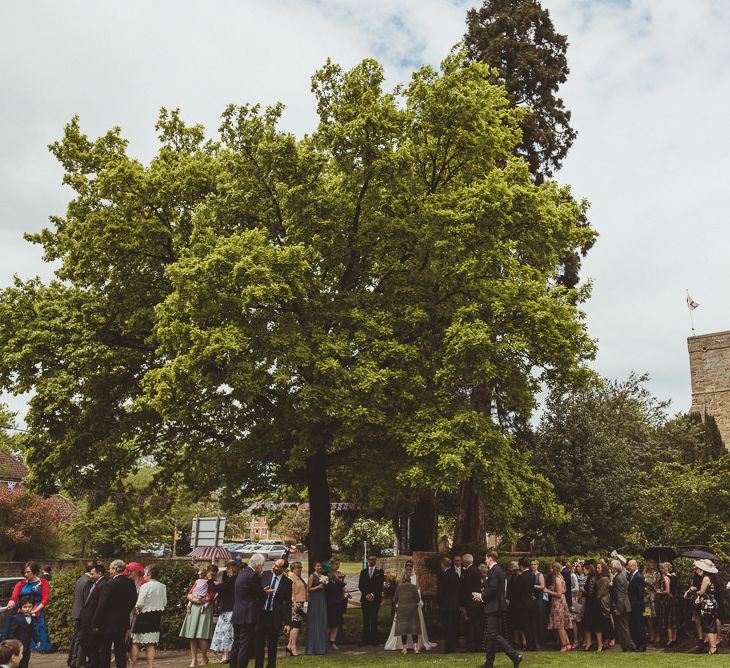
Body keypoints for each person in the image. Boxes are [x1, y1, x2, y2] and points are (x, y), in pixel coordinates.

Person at [474, 551, 522, 668]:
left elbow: (493, 589)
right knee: (492, 635)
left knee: (493, 634)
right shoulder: (497, 570)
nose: (485, 561)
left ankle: (515, 656)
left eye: (486, 558)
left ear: (490, 558)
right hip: (496, 606)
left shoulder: (494, 570)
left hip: (494, 607)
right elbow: (493, 588)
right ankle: (489, 663)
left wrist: (481, 596)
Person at [93, 559, 138, 668]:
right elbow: (133, 600)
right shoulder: (130, 583)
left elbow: (101, 605)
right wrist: (125, 611)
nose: (109, 570)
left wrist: (95, 622)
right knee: (120, 649)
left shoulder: (109, 584)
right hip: (122, 620)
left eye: (110, 568)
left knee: (105, 649)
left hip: (107, 622)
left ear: (115, 569)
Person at [384, 561, 436, 652]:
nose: (408, 570)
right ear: (405, 569)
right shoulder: (404, 582)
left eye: (410, 568)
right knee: (409, 627)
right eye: (407, 568)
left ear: (412, 568)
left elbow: (417, 592)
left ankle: (410, 647)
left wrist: (418, 602)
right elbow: (399, 595)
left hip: (410, 607)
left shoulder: (415, 579)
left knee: (410, 627)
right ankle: (408, 647)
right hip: (408, 606)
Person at [5, 563, 51, 652]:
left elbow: (45, 599)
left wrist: (35, 610)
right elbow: (14, 597)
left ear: (34, 571)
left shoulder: (43, 582)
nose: (26, 574)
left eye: (28, 572)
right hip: (22, 613)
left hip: (37, 612)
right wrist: (11, 603)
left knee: (38, 636)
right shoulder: (21, 584)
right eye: (24, 572)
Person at [230, 553, 265, 668]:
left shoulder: (242, 573)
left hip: (237, 613)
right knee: (244, 646)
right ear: (258, 565)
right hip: (247, 616)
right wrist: (265, 592)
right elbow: (259, 595)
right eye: (262, 565)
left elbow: (247, 591)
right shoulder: (253, 575)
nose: (262, 568)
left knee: (236, 644)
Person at [255, 558, 292, 668]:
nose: (273, 567)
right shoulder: (265, 575)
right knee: (259, 644)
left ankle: (271, 665)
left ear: (284, 569)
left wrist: (287, 622)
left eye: (277, 566)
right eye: (274, 564)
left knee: (272, 645)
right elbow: (256, 593)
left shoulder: (287, 582)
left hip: (274, 616)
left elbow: (288, 603)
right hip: (261, 615)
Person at [130, 565, 167, 668]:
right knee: (150, 644)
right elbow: (164, 602)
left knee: (135, 642)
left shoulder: (145, 586)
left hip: (143, 616)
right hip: (156, 616)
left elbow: (140, 603)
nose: (143, 576)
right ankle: (150, 666)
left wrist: (136, 610)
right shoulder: (162, 586)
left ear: (149, 574)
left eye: (145, 573)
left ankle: (132, 666)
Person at [179, 565, 216, 667]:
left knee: (201, 635)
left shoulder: (213, 583)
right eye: (210, 571)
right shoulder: (198, 581)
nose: (212, 574)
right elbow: (190, 593)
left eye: (214, 572)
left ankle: (204, 657)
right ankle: (193, 659)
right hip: (194, 608)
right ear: (207, 572)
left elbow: (211, 596)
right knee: (192, 635)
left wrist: (200, 600)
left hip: (204, 609)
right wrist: (192, 599)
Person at [77, 563, 107, 668]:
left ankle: (94, 663)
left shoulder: (103, 584)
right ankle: (93, 662)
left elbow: (100, 605)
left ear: (99, 573)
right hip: (87, 619)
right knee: (85, 641)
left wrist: (95, 622)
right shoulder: (93, 584)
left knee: (90, 643)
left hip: (92, 620)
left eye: (93, 574)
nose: (91, 576)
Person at [209, 561, 239, 662]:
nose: (226, 571)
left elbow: (215, 588)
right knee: (229, 632)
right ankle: (227, 655)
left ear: (231, 569)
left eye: (227, 569)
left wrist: (210, 580)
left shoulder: (231, 580)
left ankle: (226, 656)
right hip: (234, 609)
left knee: (226, 633)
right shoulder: (238, 579)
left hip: (228, 610)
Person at [68, 561, 95, 668]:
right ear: (92, 569)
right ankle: (76, 661)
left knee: (76, 637)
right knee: (80, 639)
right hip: (82, 614)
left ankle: (72, 659)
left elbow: (75, 597)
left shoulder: (80, 579)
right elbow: (87, 601)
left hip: (76, 611)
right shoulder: (88, 582)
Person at [689, 559, 718, 655]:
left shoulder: (706, 578)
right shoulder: (713, 577)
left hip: (707, 604)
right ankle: (714, 646)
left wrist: (695, 591)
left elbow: (701, 592)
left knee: (708, 626)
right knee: (712, 625)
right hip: (713, 602)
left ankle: (713, 647)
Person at [609, 559, 635, 652]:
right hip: (624, 605)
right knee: (624, 627)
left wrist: (618, 608)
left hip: (622, 606)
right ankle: (628, 646)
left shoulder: (618, 578)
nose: (610, 569)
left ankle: (627, 647)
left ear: (615, 568)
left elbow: (620, 594)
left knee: (623, 628)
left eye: (611, 567)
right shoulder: (622, 576)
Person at [357, 555, 384, 646]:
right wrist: (366, 594)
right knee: (366, 619)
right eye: (370, 559)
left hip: (375, 599)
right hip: (365, 598)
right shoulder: (363, 572)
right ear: (368, 560)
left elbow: (380, 586)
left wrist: (373, 594)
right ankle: (365, 639)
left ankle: (374, 639)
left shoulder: (380, 572)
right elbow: (361, 585)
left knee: (374, 618)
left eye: (374, 559)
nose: (372, 561)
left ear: (375, 561)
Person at [392, 572, 421, 654]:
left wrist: (396, 607)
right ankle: (416, 648)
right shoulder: (413, 587)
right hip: (412, 610)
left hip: (402, 610)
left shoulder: (399, 588)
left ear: (403, 579)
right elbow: (418, 599)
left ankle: (404, 649)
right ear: (409, 579)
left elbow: (394, 599)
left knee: (403, 630)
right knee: (414, 628)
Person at [546, 562, 572, 652]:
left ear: (554, 568)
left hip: (558, 603)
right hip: (561, 602)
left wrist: (547, 591)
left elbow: (559, 594)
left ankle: (564, 645)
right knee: (561, 625)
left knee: (559, 625)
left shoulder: (557, 578)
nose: (550, 569)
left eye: (551, 568)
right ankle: (568, 644)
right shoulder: (560, 577)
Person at [436, 557, 459, 654]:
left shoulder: (443, 576)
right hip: (455, 605)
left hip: (446, 606)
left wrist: (438, 603)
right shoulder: (455, 575)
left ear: (443, 565)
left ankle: (449, 648)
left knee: (447, 627)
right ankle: (453, 646)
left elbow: (441, 592)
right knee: (453, 626)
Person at [6, 597, 38, 668]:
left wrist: (37, 640)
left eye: (30, 607)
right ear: (20, 608)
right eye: (25, 607)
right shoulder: (16, 618)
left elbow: (32, 630)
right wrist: (17, 644)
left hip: (27, 646)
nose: (27, 609)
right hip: (18, 647)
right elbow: (11, 633)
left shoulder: (31, 617)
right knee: (18, 664)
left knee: (25, 662)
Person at [514, 558, 537, 652]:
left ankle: (529, 646)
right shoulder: (532, 575)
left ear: (521, 566)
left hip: (523, 603)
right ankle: (533, 645)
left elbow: (518, 591)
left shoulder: (521, 577)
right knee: (531, 625)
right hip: (531, 602)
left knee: (525, 625)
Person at [305, 562, 328, 655]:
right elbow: (308, 589)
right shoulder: (312, 576)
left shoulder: (323, 576)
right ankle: (313, 647)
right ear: (314, 567)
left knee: (322, 621)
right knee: (315, 621)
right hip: (314, 600)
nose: (319, 567)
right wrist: (318, 586)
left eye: (320, 566)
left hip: (322, 599)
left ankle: (322, 647)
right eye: (317, 566)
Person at [462, 554, 483, 652]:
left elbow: (466, 590)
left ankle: (471, 646)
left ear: (465, 562)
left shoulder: (468, 572)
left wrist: (463, 604)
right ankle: (478, 645)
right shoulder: (477, 571)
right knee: (477, 625)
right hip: (477, 602)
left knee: (470, 625)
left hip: (470, 603)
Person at [286, 562, 307, 657]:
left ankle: (289, 645)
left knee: (296, 625)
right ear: (292, 569)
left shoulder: (299, 577)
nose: (299, 569)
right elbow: (291, 592)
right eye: (297, 568)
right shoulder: (292, 578)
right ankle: (293, 647)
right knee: (296, 626)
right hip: (295, 604)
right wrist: (294, 603)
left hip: (300, 602)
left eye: (300, 567)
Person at [655, 561, 677, 647]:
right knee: (673, 619)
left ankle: (670, 639)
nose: (661, 570)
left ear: (666, 568)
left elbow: (667, 591)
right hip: (674, 599)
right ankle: (674, 638)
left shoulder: (666, 578)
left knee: (668, 619)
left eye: (662, 568)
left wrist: (659, 592)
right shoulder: (674, 576)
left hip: (667, 600)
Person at [626, 559, 646, 651]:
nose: (628, 567)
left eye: (630, 566)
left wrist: (636, 604)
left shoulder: (639, 577)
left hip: (637, 606)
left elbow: (641, 593)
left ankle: (642, 645)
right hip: (632, 605)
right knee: (634, 625)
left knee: (639, 626)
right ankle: (637, 644)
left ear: (635, 565)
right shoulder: (630, 575)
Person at [325, 561, 345, 649]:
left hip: (337, 603)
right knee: (329, 623)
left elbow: (341, 587)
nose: (331, 573)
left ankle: (332, 641)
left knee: (336, 623)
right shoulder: (325, 579)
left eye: (332, 572)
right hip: (329, 603)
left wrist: (340, 579)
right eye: (330, 572)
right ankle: (324, 640)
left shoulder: (335, 579)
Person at [529, 559, 546, 647]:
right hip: (531, 599)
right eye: (532, 564)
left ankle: (541, 641)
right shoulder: (529, 574)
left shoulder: (540, 575)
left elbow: (543, 586)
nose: (533, 566)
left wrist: (533, 586)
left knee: (539, 619)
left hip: (538, 599)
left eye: (534, 564)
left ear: (537, 565)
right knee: (532, 621)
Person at [642, 559, 659, 644]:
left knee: (655, 617)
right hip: (646, 598)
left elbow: (656, 586)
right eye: (650, 563)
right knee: (648, 617)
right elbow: (642, 584)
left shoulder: (657, 574)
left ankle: (657, 635)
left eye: (653, 563)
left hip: (653, 597)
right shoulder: (644, 574)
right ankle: (651, 634)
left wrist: (651, 585)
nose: (652, 565)